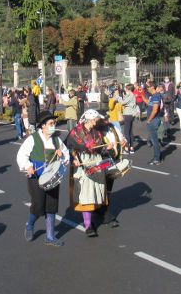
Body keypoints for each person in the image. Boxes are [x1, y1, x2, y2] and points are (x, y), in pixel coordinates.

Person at [16, 110, 69, 246]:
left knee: (51, 206)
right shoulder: (32, 139)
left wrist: (61, 155)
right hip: (36, 177)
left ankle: (50, 237)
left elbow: (66, 156)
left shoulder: (57, 140)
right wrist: (27, 166)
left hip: (53, 178)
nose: (53, 125)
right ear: (43, 126)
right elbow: (22, 155)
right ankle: (30, 224)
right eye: (51, 123)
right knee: (39, 204)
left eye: (54, 123)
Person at [66, 109, 113, 237]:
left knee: (96, 191)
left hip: (96, 162)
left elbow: (100, 150)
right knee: (86, 194)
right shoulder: (75, 132)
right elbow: (68, 148)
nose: (96, 122)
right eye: (95, 120)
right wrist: (73, 158)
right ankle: (88, 225)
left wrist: (106, 148)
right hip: (83, 162)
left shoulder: (97, 133)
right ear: (89, 119)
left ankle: (99, 215)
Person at [142, 84, 164, 166]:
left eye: (148, 87)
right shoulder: (154, 96)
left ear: (152, 87)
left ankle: (157, 158)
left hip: (153, 120)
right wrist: (142, 95)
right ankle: (157, 157)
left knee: (154, 141)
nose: (147, 88)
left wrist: (149, 120)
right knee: (154, 140)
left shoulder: (156, 97)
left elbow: (154, 110)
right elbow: (148, 103)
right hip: (154, 120)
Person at [114, 84, 137, 154]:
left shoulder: (131, 95)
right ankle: (132, 148)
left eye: (126, 88)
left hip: (128, 114)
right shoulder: (130, 95)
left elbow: (123, 102)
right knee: (130, 131)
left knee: (126, 131)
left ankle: (127, 148)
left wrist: (118, 96)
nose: (125, 89)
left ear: (129, 89)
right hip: (131, 114)